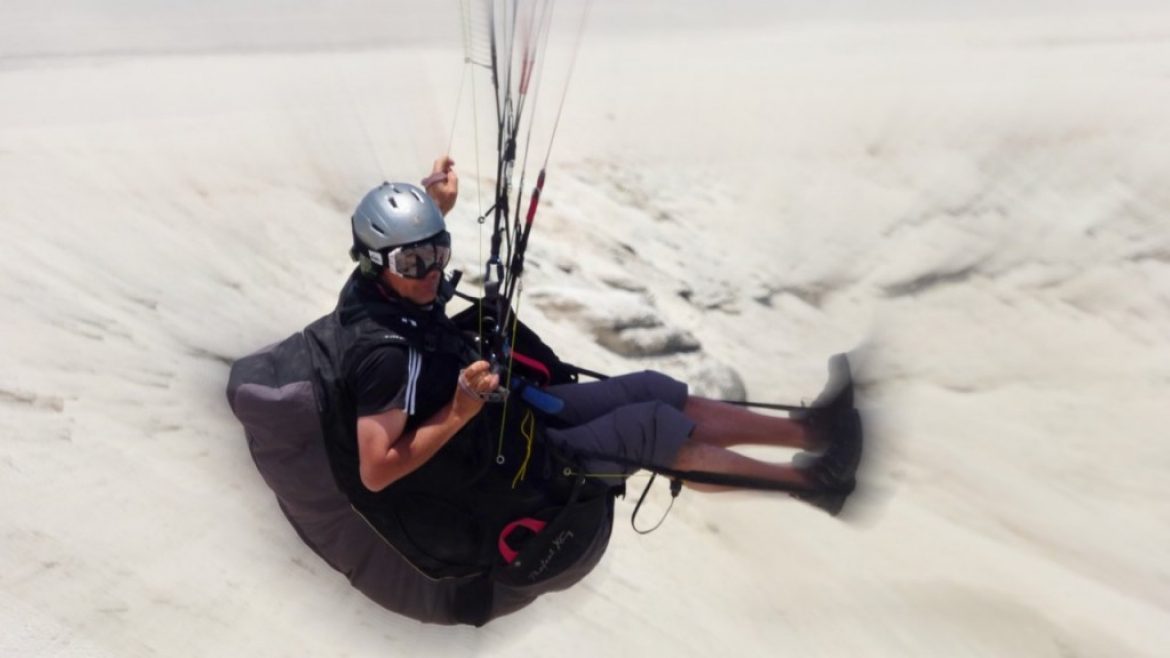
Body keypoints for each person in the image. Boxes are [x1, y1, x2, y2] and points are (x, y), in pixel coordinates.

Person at [339, 156, 860, 521]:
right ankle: (815, 484)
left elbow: (409, 248)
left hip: (510, 418)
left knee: (651, 389)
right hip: (509, 470)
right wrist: (460, 407)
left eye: (438, 251)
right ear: (376, 261)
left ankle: (813, 432)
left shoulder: (381, 282)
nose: (430, 270)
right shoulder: (384, 355)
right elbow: (376, 471)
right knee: (652, 429)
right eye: (413, 261)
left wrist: (432, 209)